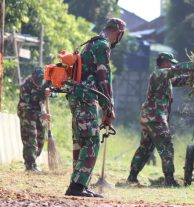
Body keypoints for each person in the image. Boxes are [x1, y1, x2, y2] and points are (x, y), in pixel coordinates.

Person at [65, 18, 126, 197]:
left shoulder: (90, 43)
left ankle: (79, 185)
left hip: (77, 96)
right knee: (91, 141)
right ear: (118, 33)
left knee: (81, 142)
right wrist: (109, 107)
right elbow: (103, 76)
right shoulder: (102, 45)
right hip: (85, 97)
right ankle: (76, 187)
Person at [127, 52, 194, 187]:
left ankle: (131, 178)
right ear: (164, 62)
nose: (172, 64)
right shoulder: (159, 74)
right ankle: (169, 180)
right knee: (167, 146)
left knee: (145, 148)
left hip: (150, 117)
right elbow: (176, 70)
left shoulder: (166, 78)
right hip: (155, 118)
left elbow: (182, 79)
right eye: (170, 62)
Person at [17, 68, 51, 172]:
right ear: (32, 77)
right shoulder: (25, 85)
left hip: (39, 114)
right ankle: (30, 165)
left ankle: (33, 162)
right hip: (27, 114)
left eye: (41, 80)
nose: (39, 82)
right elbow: (30, 102)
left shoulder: (43, 84)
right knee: (31, 139)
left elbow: (52, 94)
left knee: (40, 139)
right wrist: (42, 113)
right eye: (37, 80)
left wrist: (49, 93)